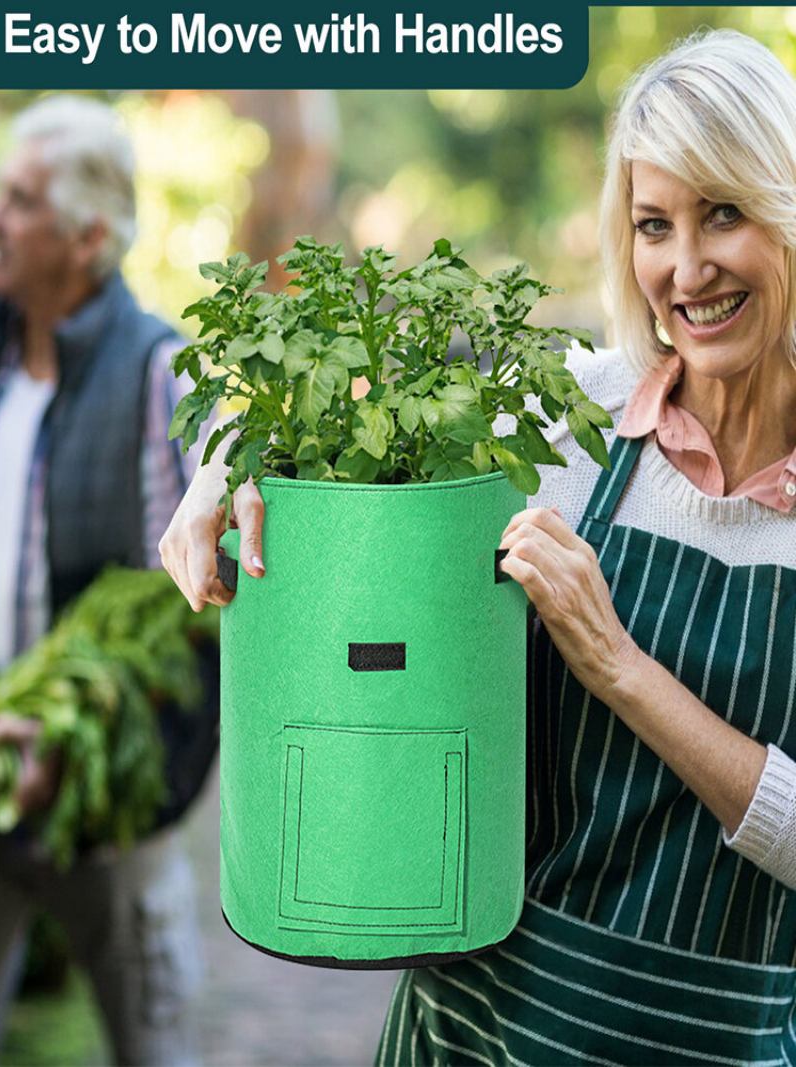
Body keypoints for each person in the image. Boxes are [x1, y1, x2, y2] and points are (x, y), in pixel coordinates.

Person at [160, 27, 796, 1064]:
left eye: (721, 211)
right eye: (650, 224)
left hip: (704, 1038)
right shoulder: (568, 421)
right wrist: (220, 479)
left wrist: (620, 667)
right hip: (476, 1022)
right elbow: (353, 436)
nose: (684, 269)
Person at [0, 95, 215, 1066]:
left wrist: (74, 741)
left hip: (107, 805)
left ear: (87, 237)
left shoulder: (157, 372)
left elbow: (185, 610)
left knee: (149, 1044)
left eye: (17, 198)